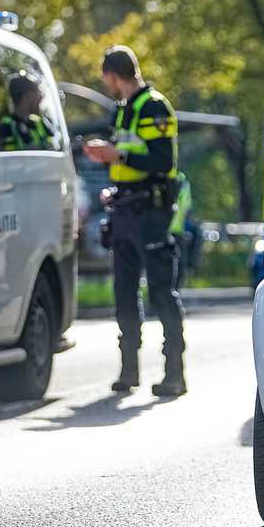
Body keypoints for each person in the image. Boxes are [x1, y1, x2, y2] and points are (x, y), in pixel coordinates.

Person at [83, 46, 187, 397]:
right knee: (123, 293)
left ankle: (175, 373)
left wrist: (118, 154)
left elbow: (161, 159)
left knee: (160, 291)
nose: (106, 84)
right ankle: (129, 371)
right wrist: (113, 182)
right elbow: (127, 157)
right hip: (125, 210)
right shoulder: (123, 110)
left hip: (152, 212)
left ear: (113, 75)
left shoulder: (154, 106)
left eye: (105, 78)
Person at [0, 74, 55, 150]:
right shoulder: (7, 125)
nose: (41, 97)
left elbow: (54, 149)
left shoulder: (39, 121)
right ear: (27, 95)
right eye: (37, 91)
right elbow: (10, 158)